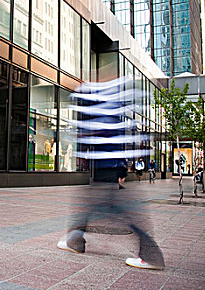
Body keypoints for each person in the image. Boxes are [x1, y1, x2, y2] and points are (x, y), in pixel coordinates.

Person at [57, 77, 164, 270]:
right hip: (108, 173)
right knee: (86, 207)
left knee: (125, 214)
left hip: (105, 174)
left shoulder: (103, 117)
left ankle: (152, 256)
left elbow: (105, 142)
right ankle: (75, 242)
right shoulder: (111, 114)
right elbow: (119, 144)